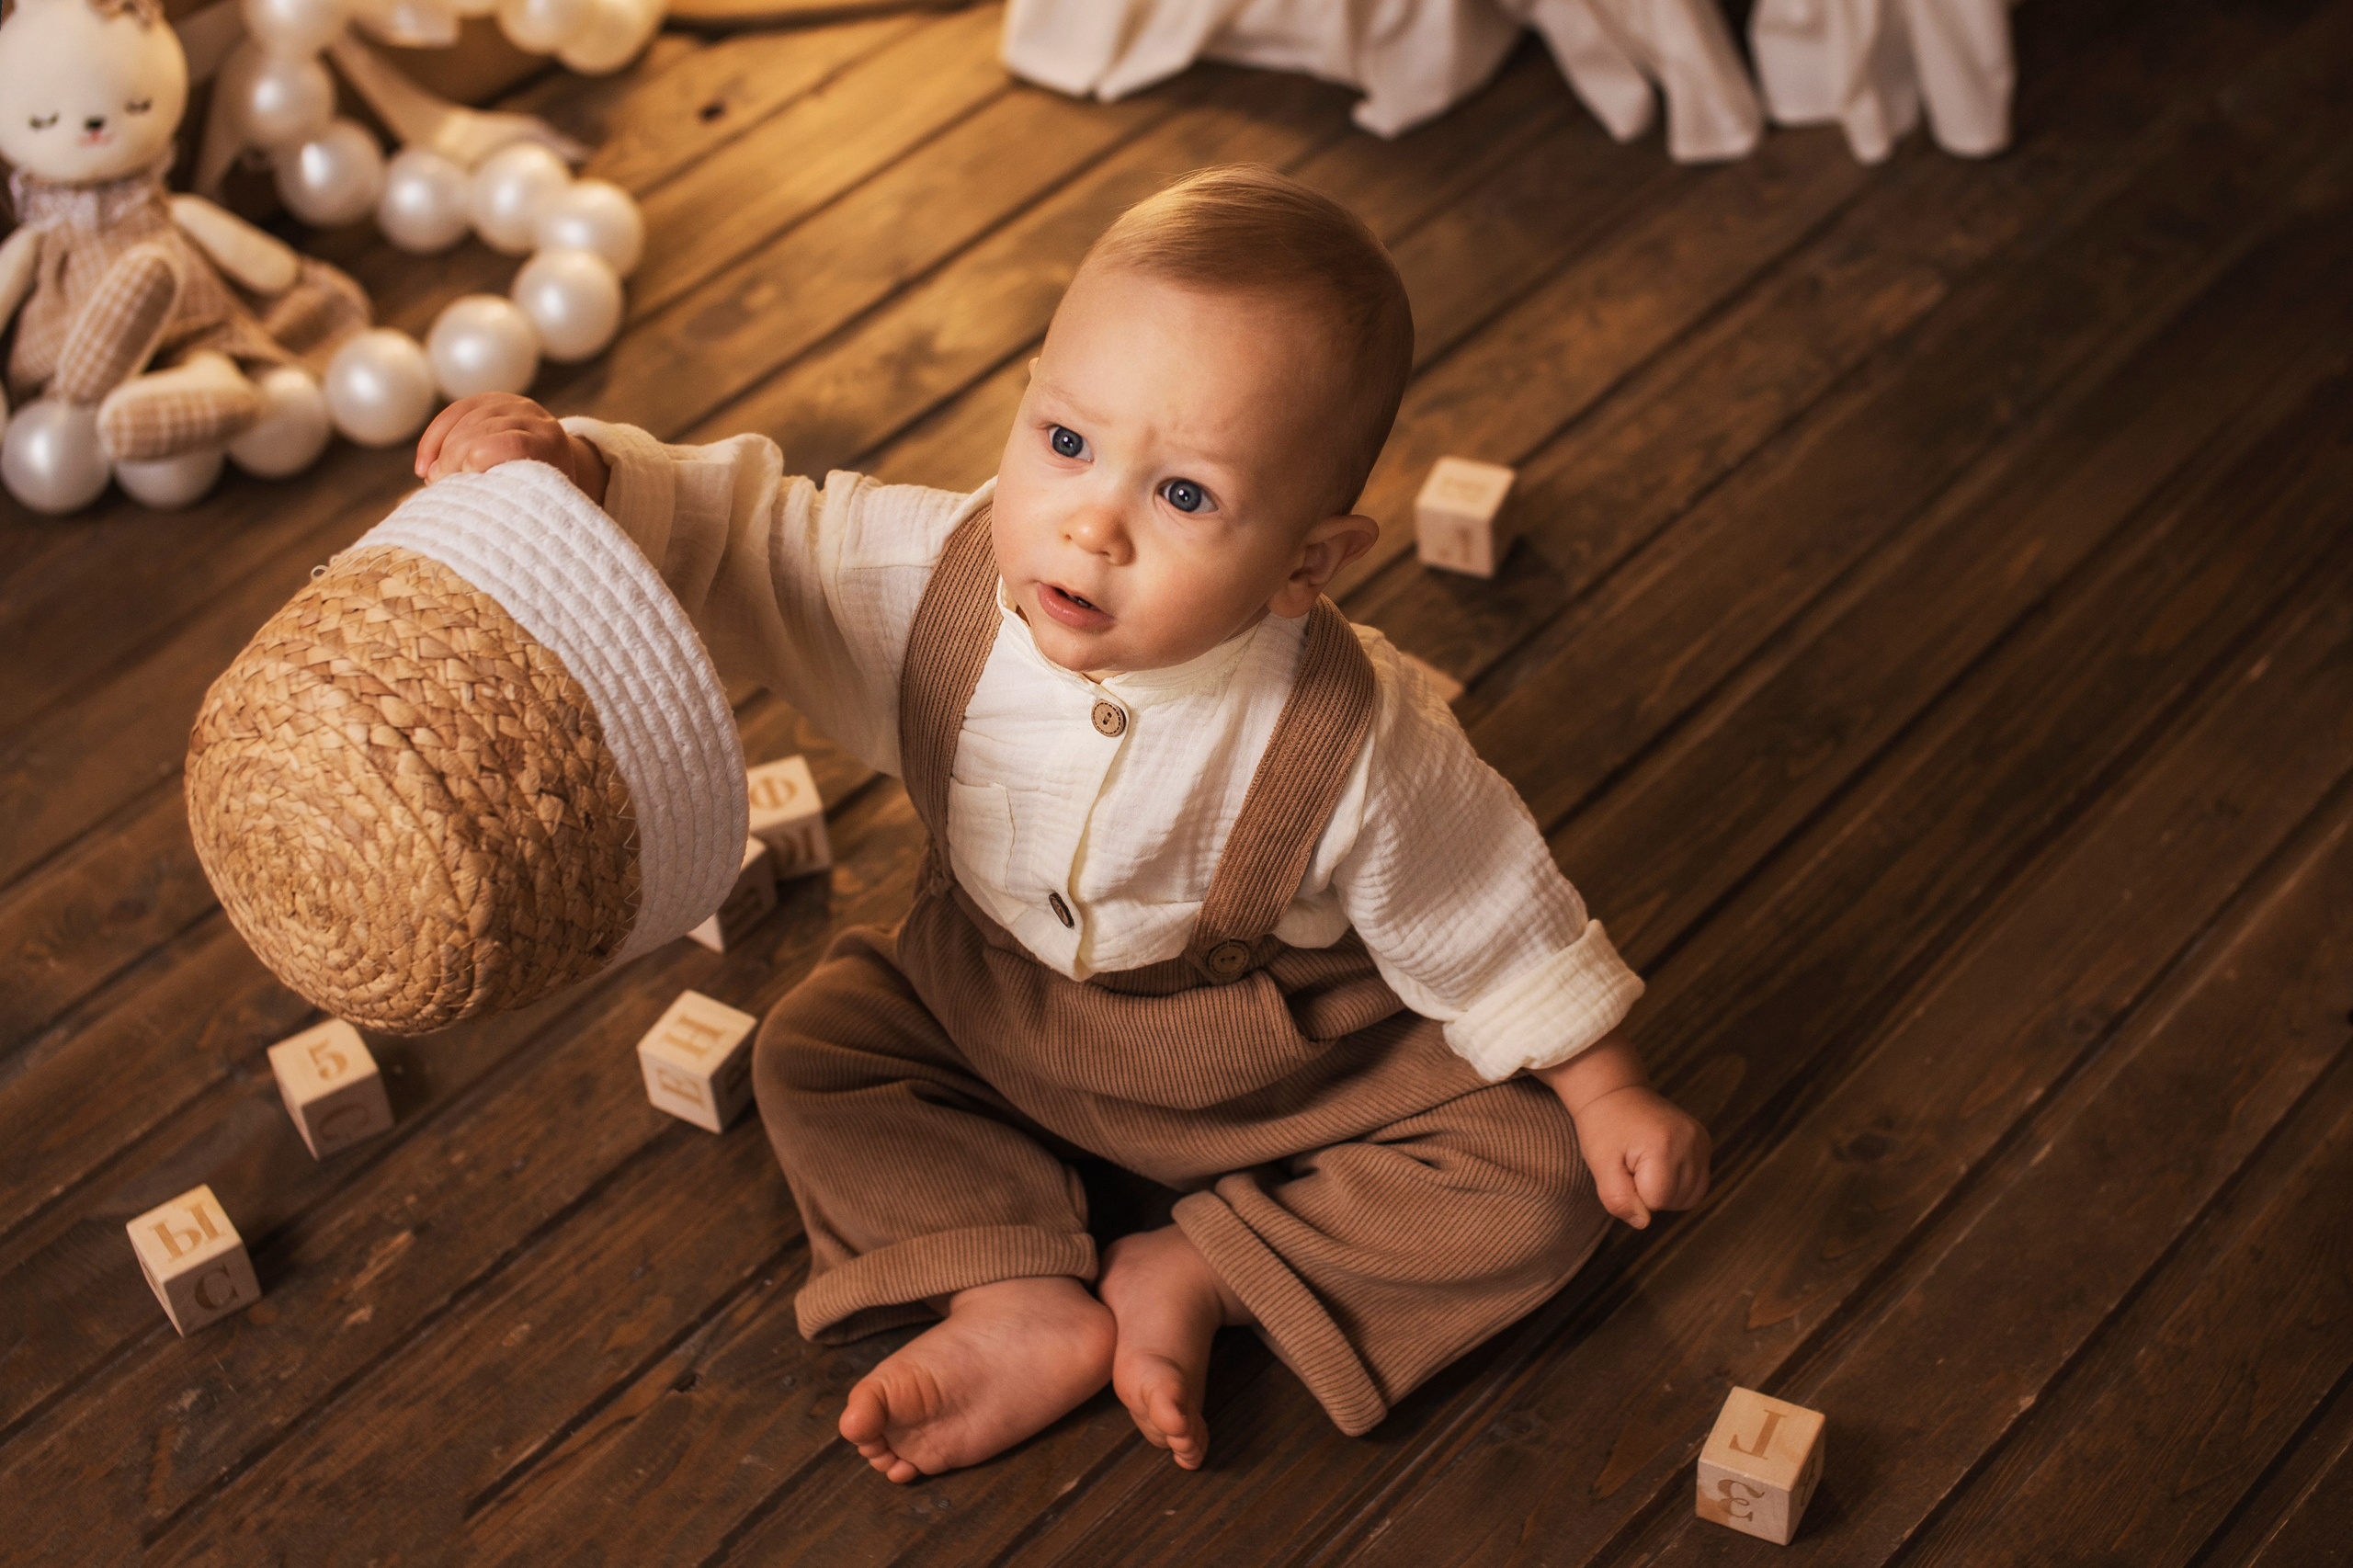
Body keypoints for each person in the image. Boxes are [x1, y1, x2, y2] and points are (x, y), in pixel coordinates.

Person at [414, 164, 1711, 1485]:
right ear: (1026, 399)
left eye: (1187, 496)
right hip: (985, 1005)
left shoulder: (1350, 735)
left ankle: (1204, 1265)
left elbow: (1484, 906)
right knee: (816, 1050)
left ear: (1308, 565)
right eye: (1068, 442)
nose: (1092, 522)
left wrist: (1603, 1087)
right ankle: (1014, 1290)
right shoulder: (931, 582)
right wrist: (578, 470)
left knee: (1539, 1172)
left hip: (1273, 1070)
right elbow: (752, 537)